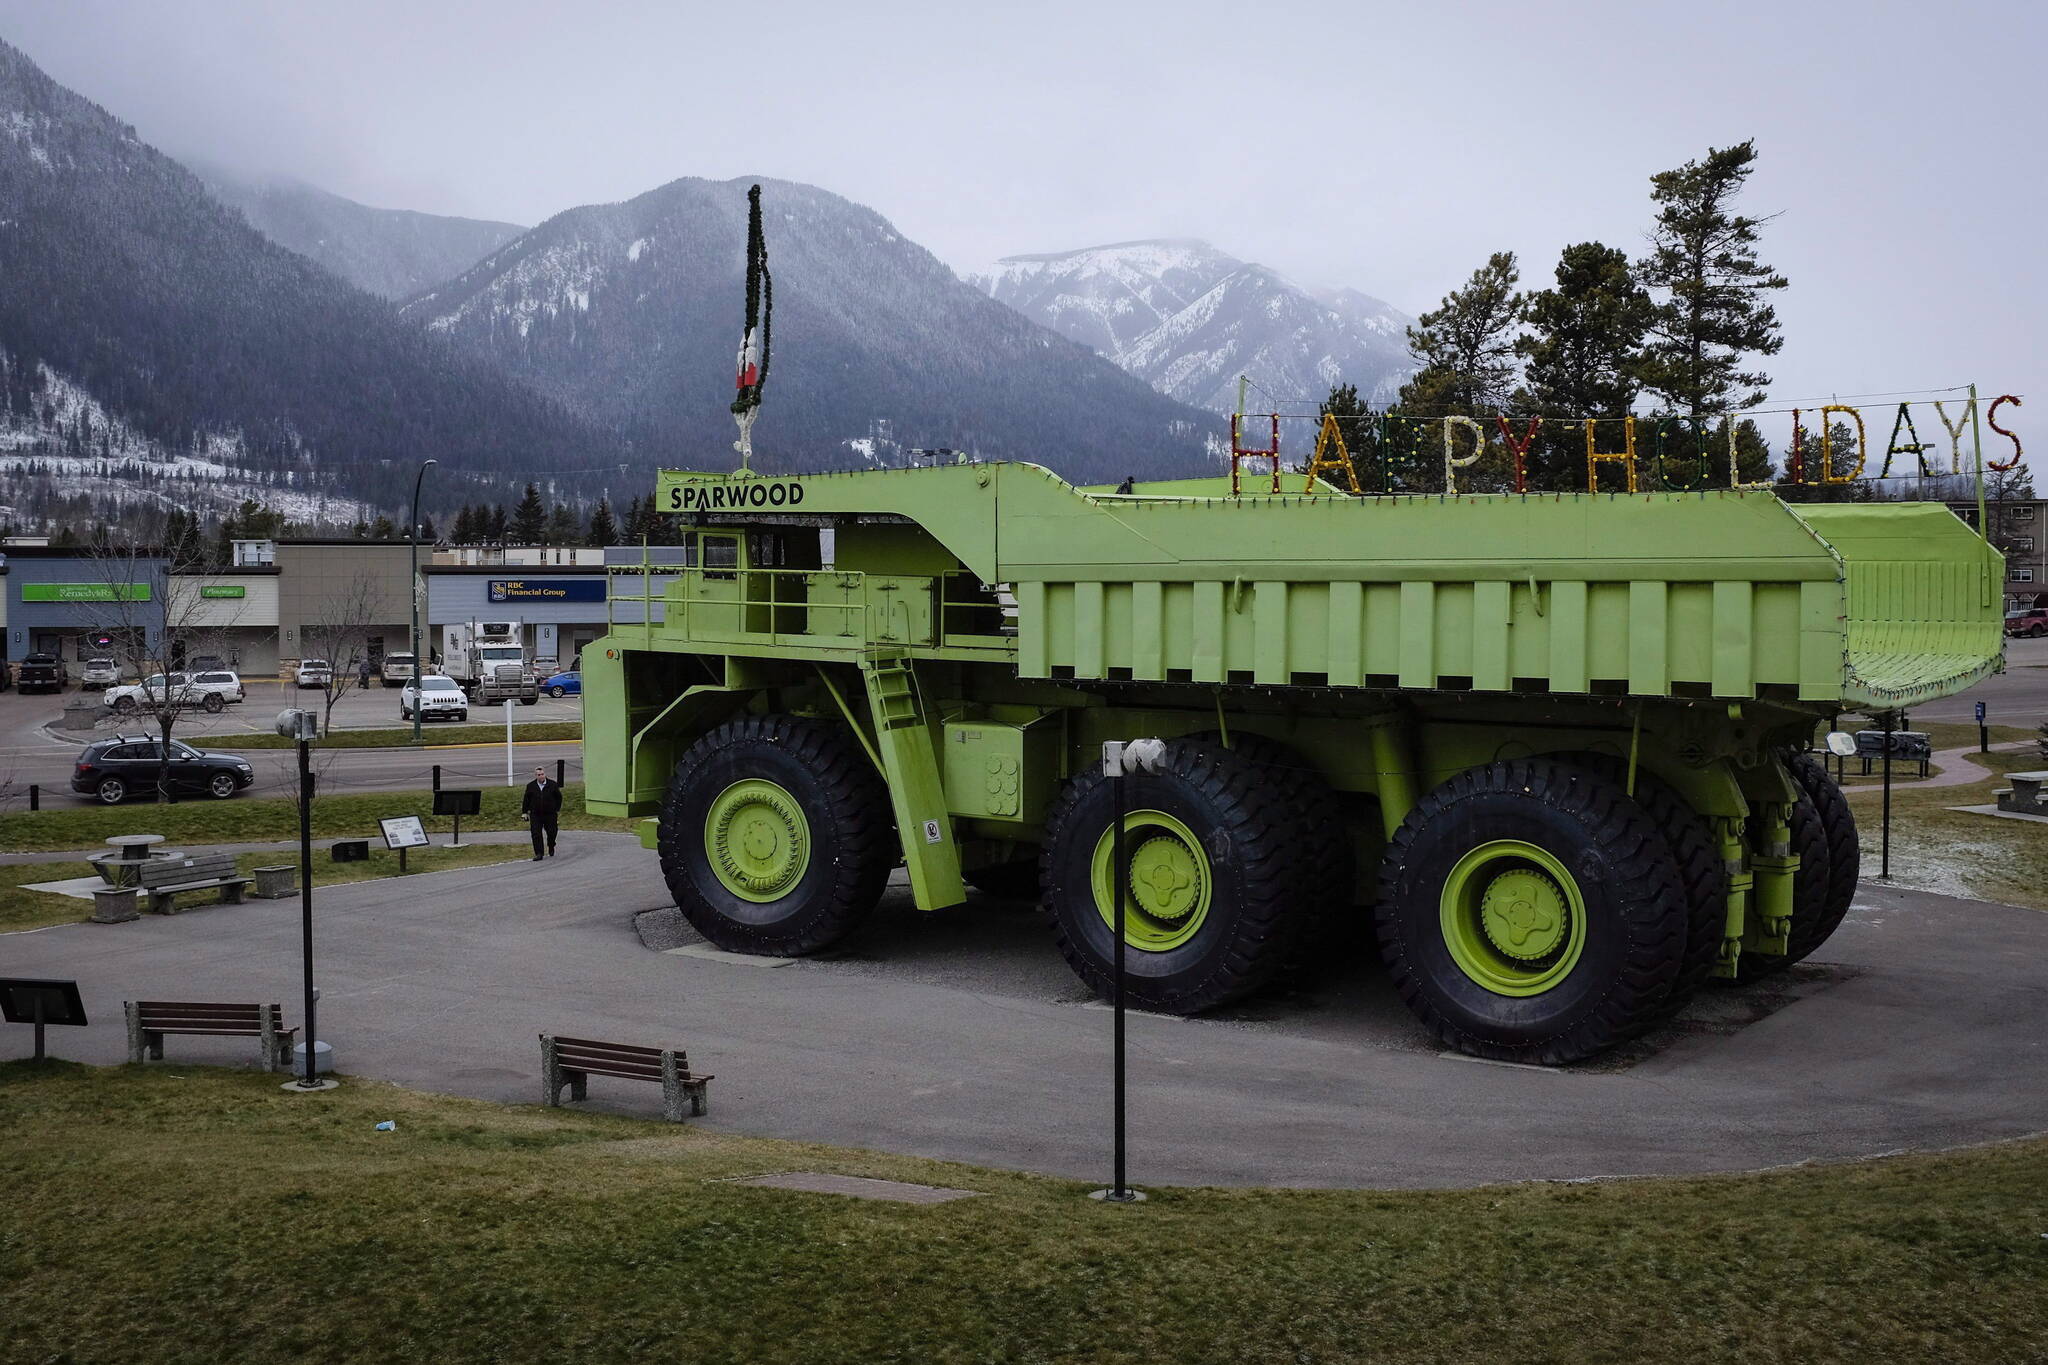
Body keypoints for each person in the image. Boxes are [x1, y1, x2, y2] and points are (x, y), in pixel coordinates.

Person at [521, 765, 562, 860]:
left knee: (552, 832)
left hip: (550, 814)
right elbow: (526, 800)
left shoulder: (552, 784)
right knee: (536, 833)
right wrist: (524, 812)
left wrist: (556, 809)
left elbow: (559, 797)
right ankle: (539, 853)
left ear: (545, 774)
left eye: (542, 774)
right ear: (535, 776)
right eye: (538, 775)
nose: (541, 776)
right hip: (536, 814)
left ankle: (551, 845)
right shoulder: (531, 786)